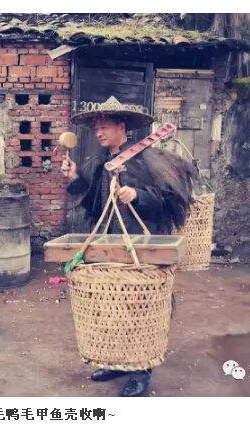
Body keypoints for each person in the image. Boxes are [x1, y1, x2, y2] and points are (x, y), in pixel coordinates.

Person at [61, 96, 197, 397]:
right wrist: (74, 178)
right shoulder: (99, 163)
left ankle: (140, 371)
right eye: (96, 128)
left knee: (140, 308)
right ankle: (117, 363)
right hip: (110, 246)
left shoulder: (146, 161)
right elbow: (94, 206)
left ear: (122, 127)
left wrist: (137, 196)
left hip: (142, 245)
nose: (99, 133)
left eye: (104, 127)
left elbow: (166, 203)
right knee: (112, 307)